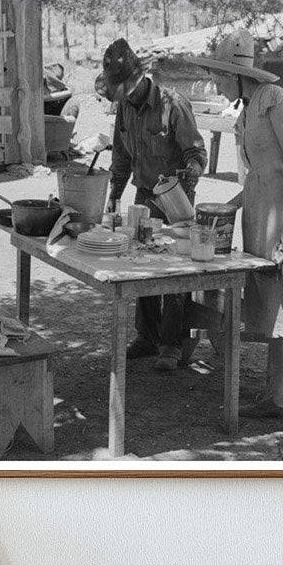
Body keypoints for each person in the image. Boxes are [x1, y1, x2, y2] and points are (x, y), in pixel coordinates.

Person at [187, 29, 283, 456]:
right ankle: (277, 398)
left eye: (222, 75)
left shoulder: (273, 101)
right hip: (258, 216)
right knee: (273, 311)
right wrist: (227, 204)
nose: (218, 83)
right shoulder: (245, 112)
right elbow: (257, 174)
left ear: (239, 75)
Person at [101, 38, 208, 371]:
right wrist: (114, 197)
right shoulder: (124, 109)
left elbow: (197, 154)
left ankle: (172, 345)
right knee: (141, 266)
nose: (121, 95)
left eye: (123, 87)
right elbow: (120, 156)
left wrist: (188, 176)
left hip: (175, 199)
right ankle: (147, 336)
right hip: (143, 197)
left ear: (137, 78)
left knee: (173, 273)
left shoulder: (172, 104)